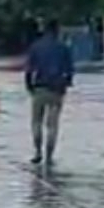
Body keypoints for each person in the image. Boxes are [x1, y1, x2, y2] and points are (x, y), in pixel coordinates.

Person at [24, 20, 74, 165]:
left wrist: (29, 86)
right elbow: (70, 71)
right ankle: (49, 156)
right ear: (57, 30)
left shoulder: (36, 47)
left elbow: (29, 70)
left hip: (39, 88)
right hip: (57, 90)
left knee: (36, 122)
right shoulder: (64, 48)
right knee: (52, 125)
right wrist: (66, 84)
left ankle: (38, 152)